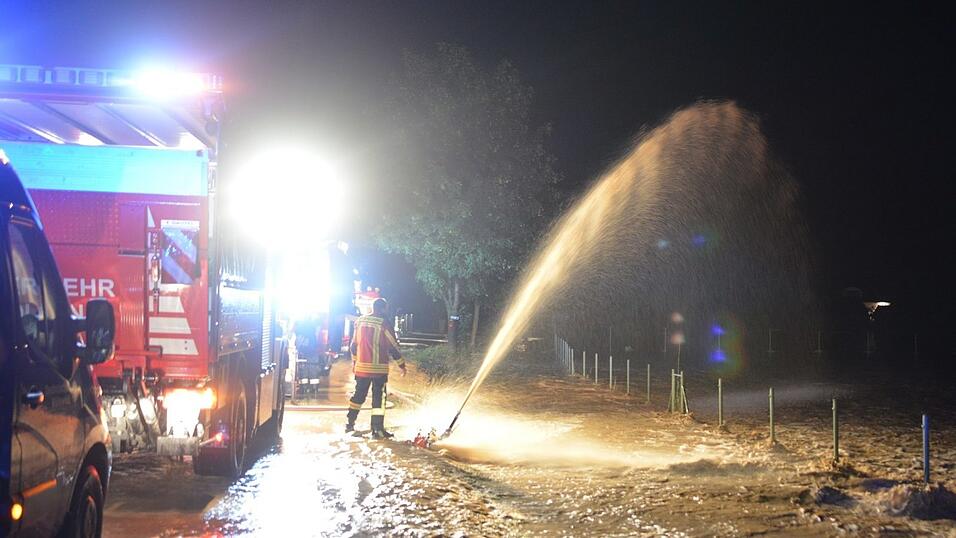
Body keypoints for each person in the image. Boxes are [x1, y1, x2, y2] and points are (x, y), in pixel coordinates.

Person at [346, 297, 406, 438]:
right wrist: (401, 365)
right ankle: (377, 430)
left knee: (358, 396)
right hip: (378, 370)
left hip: (361, 369)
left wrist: (355, 362)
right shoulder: (384, 324)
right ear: (384, 308)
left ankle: (349, 425)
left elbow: (353, 346)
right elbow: (393, 347)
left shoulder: (359, 321)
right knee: (378, 400)